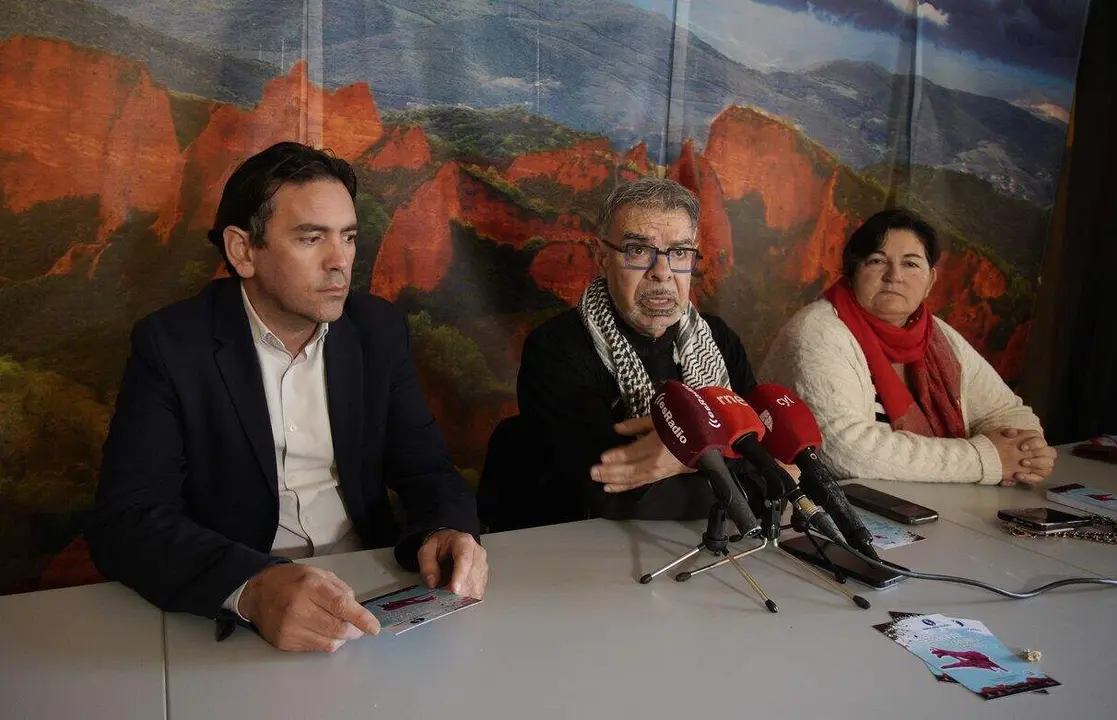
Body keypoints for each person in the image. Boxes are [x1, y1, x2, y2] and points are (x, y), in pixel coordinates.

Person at [88, 142, 488, 653]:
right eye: (310, 238)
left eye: (348, 237)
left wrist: (449, 529)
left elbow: (426, 468)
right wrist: (252, 588)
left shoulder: (377, 329)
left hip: (368, 584)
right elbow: (128, 520)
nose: (340, 262)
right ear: (242, 251)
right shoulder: (171, 346)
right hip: (236, 606)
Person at [514, 177, 760, 521]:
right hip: (590, 550)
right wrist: (723, 459)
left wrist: (688, 452)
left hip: (719, 541)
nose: (662, 273)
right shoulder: (555, 350)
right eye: (638, 250)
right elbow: (614, 496)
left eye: (679, 253)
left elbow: (771, 462)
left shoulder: (719, 339)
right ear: (602, 259)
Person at [759, 209, 1056, 485]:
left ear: (930, 281)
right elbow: (843, 453)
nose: (894, 276)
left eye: (911, 264)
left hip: (923, 505)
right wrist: (986, 460)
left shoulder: (938, 335)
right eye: (876, 261)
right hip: (825, 511)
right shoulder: (818, 330)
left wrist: (1027, 451)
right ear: (851, 273)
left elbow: (1003, 410)